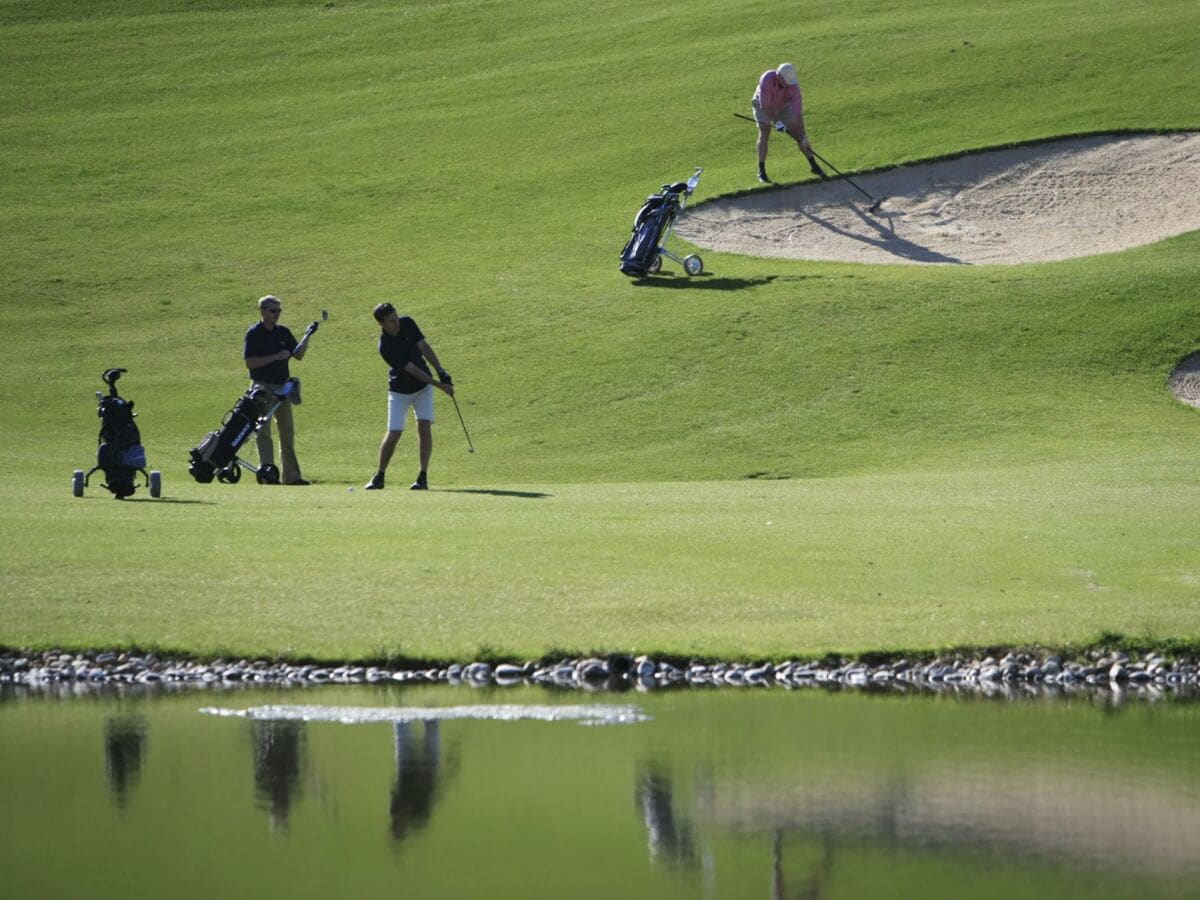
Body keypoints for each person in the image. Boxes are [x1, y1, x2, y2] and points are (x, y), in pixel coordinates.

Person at [364, 302, 455, 491]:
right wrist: (440, 386)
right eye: (391, 321)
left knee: (424, 426)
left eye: (396, 317)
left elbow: (423, 347)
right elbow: (412, 370)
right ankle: (379, 476)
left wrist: (441, 371)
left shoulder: (407, 323)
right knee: (395, 432)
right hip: (400, 392)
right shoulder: (385, 347)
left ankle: (423, 477)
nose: (396, 323)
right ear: (381, 324)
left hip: (423, 388)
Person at [243, 294, 315, 485]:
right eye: (273, 310)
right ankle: (268, 475)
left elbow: (297, 354)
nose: (277, 314)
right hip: (262, 387)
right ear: (263, 311)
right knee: (264, 433)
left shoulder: (283, 332)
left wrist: (308, 335)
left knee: (287, 433)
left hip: (282, 388)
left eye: (279, 310)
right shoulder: (254, 333)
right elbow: (250, 363)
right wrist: (276, 356)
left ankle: (292, 477)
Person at [752, 63, 826, 184]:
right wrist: (777, 122)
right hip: (762, 106)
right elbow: (765, 106)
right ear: (778, 76)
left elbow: (798, 114)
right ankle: (761, 171)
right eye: (785, 81)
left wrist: (802, 136)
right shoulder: (767, 79)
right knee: (765, 131)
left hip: (782, 106)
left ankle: (813, 164)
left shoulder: (793, 87)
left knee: (800, 133)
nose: (788, 85)